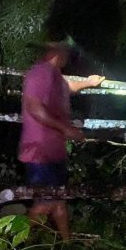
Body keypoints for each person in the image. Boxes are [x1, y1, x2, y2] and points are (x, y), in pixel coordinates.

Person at [18, 42, 104, 240]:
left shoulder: (54, 75)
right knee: (44, 204)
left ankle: (67, 245)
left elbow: (68, 86)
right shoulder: (39, 73)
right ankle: (13, 247)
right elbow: (35, 108)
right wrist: (67, 129)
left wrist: (89, 82)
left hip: (54, 151)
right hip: (39, 150)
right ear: (57, 52)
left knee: (59, 201)